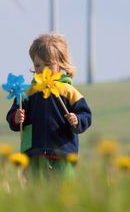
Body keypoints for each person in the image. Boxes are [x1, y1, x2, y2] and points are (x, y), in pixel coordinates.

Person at [6, 33, 92, 179]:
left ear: (60, 64)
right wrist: (17, 118)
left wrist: (77, 120)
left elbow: (86, 115)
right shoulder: (28, 92)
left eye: (48, 65)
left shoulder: (68, 91)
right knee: (35, 192)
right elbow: (12, 117)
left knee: (64, 193)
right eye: (38, 65)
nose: (42, 70)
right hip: (34, 154)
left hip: (63, 153)